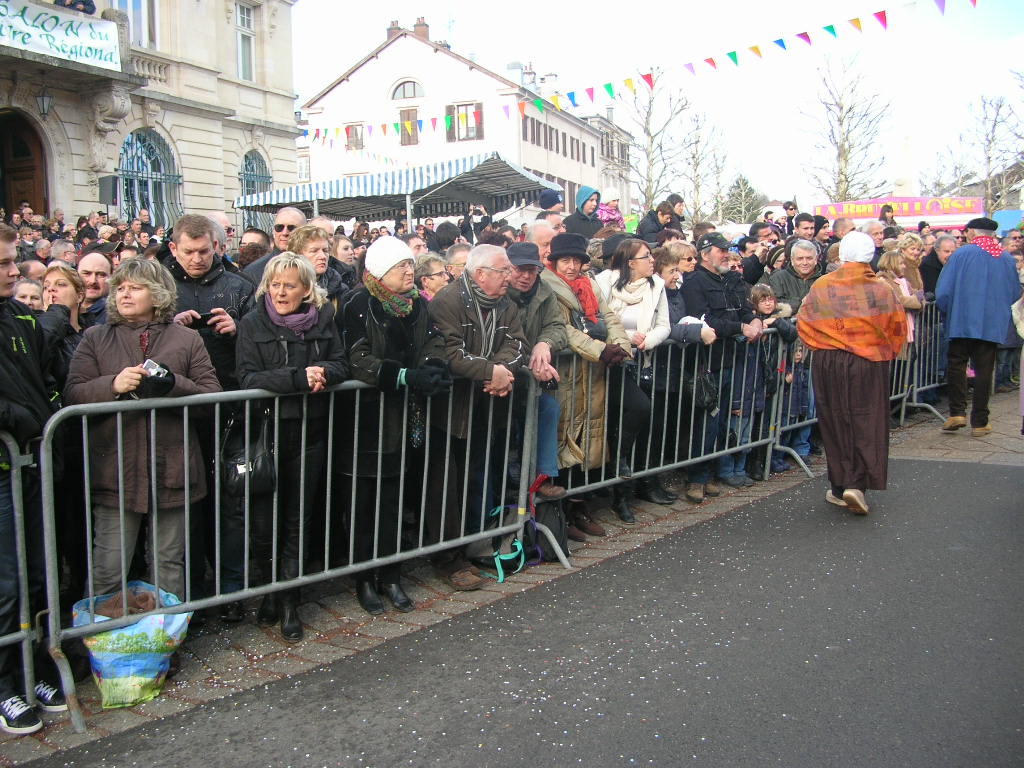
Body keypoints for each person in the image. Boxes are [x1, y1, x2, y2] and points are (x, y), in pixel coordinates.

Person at [65, 258, 222, 607]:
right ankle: (105, 647)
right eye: (120, 287)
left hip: (173, 467)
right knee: (108, 566)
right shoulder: (96, 337)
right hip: (116, 469)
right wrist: (112, 385)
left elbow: (213, 397)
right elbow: (72, 393)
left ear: (157, 294)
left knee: (168, 565)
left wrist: (173, 384)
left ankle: (164, 642)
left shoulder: (186, 339)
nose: (124, 293)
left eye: (134, 287)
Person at [236, 253, 347, 641]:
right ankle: (269, 592)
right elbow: (248, 377)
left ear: (305, 289)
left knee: (299, 518)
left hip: (311, 432)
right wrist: (298, 378)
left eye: (290, 285)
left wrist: (324, 374)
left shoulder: (323, 318)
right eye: (276, 284)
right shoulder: (252, 323)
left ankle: (289, 600)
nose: (281, 291)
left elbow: (340, 364)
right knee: (265, 521)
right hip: (267, 433)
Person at [340, 236, 452, 614]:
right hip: (368, 420)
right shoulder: (359, 303)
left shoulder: (417, 304)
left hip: (406, 418)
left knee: (395, 500)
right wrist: (405, 376)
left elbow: (433, 341)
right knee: (365, 504)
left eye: (411, 264)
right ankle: (365, 579)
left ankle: (391, 574)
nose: (410, 270)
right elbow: (359, 359)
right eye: (402, 265)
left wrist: (434, 367)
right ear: (380, 271)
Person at [164, 214, 255, 615]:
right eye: (189, 252)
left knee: (231, 502)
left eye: (204, 251)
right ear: (174, 249)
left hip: (230, 407)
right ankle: (193, 592)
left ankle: (231, 587)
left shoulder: (239, 286)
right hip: (177, 414)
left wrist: (238, 328)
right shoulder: (161, 287)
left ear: (216, 247)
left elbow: (262, 337)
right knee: (187, 506)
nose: (198, 259)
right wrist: (169, 326)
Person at [427, 243, 527, 587]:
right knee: (446, 486)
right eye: (503, 271)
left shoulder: (506, 304)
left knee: (477, 479)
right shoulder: (448, 301)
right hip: (450, 412)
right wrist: (492, 372)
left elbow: (518, 345)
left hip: (487, 407)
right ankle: (448, 558)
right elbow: (450, 353)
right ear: (480, 273)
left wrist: (499, 371)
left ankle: (474, 545)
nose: (510, 277)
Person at [0, 224, 66, 734]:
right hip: (4, 468)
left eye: (10, 261)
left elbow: (43, 375)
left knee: (40, 575)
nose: (13, 271)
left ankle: (37, 669)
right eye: (2, 265)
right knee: (6, 584)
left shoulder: (19, 315)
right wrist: (16, 419)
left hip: (32, 464)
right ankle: (6, 685)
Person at [797, 231, 908, 514]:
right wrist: (885, 352)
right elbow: (897, 329)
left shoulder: (822, 285)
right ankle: (856, 484)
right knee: (866, 421)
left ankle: (839, 485)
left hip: (829, 361)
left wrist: (823, 345)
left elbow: (805, 321)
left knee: (834, 420)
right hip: (868, 362)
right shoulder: (881, 289)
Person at [540, 233, 633, 536]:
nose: (571, 266)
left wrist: (619, 344)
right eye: (565, 260)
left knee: (586, 440)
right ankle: (561, 516)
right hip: (566, 372)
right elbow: (561, 328)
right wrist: (599, 349)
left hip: (591, 374)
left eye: (576, 260)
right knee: (563, 441)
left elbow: (608, 315)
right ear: (554, 261)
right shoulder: (546, 285)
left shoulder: (589, 284)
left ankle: (580, 508)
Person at [681, 232, 763, 504]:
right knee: (705, 420)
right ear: (706, 254)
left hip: (734, 358)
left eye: (727, 249)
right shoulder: (694, 283)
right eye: (721, 250)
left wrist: (755, 322)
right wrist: (741, 327)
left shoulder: (733, 279)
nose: (726, 254)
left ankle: (710, 472)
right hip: (707, 362)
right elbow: (705, 319)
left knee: (722, 420)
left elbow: (745, 309)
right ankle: (697, 476)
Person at [593, 238, 663, 514]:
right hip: (608, 362)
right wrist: (625, 337)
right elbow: (598, 319)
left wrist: (649, 340)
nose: (652, 260)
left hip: (640, 362)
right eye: (646, 256)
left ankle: (622, 488)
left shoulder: (656, 285)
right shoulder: (603, 282)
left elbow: (664, 324)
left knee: (639, 417)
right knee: (622, 417)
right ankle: (612, 480)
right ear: (630, 262)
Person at [935, 217, 1021, 437]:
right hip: (992, 322)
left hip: (961, 319)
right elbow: (1014, 293)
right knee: (984, 370)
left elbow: (943, 292)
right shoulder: (1006, 258)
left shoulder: (961, 254)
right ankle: (980, 422)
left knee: (956, 364)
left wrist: (947, 311)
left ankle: (957, 412)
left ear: (973, 232)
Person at [504, 242, 568, 501]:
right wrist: (528, 363)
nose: (526, 276)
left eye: (532, 270)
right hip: (505, 372)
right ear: (508, 268)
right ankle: (504, 483)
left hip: (531, 376)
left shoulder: (545, 291)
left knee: (548, 408)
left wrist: (546, 343)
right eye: (521, 269)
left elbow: (557, 326)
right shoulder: (498, 292)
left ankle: (543, 477)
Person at [288, 225, 347, 309]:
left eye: (325, 251)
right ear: (297, 254)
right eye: (314, 251)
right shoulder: (282, 287)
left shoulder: (340, 290)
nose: (322, 256)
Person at [243, 206, 307, 282]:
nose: (284, 233)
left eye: (291, 228)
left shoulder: (315, 265)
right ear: (273, 231)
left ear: (305, 232)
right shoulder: (254, 271)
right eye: (279, 227)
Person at [767, 239, 821, 314]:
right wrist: (802, 302)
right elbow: (774, 304)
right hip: (786, 323)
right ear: (792, 260)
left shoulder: (825, 280)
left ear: (816, 259)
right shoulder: (778, 278)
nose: (805, 263)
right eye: (800, 259)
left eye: (809, 258)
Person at [77, 246, 113, 328]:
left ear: (111, 278)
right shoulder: (65, 310)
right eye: (86, 273)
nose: (93, 281)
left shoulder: (118, 316)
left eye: (101, 275)